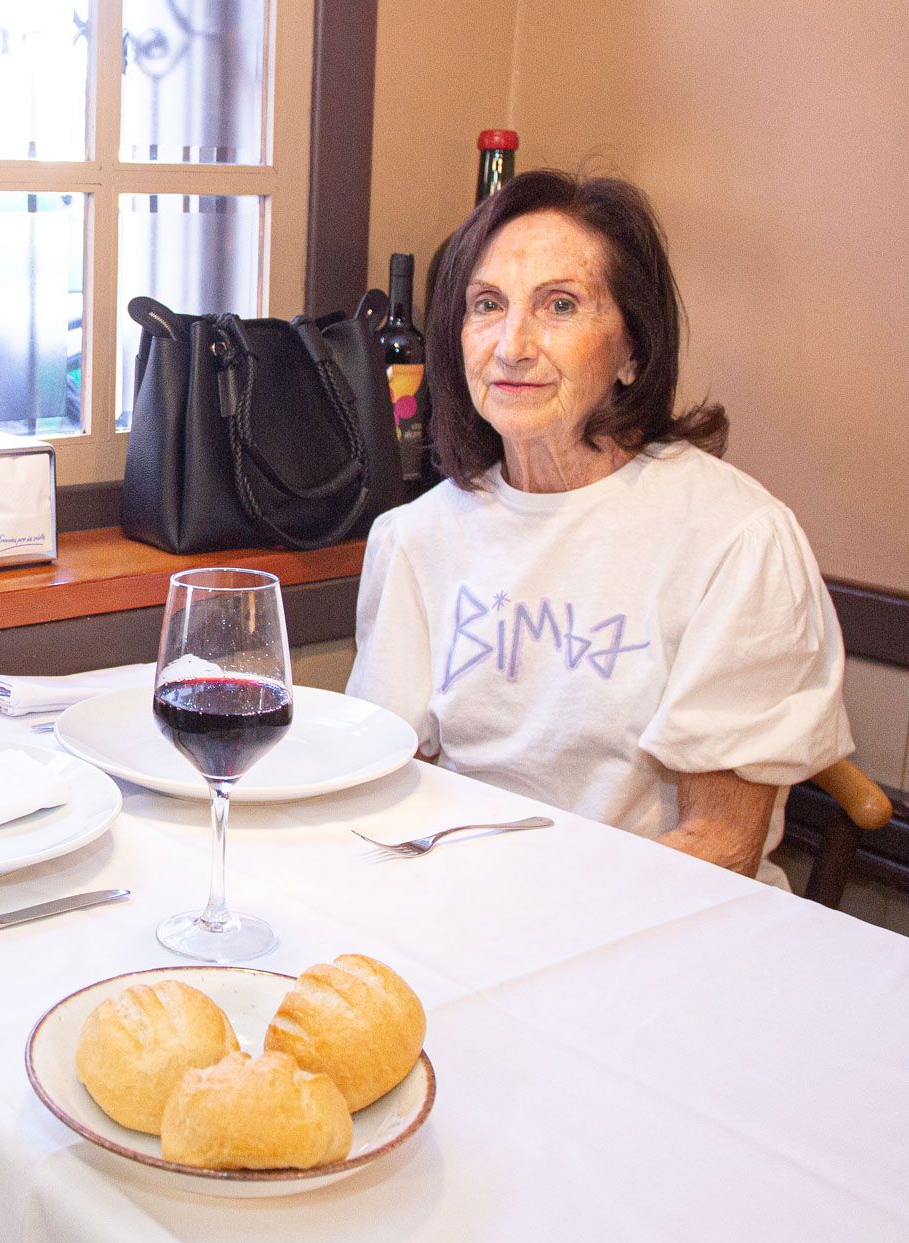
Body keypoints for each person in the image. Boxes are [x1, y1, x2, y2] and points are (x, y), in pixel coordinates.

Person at [346, 170, 851, 881]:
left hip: (656, 932)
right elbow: (385, 780)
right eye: (487, 305)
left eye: (560, 305)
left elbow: (720, 848)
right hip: (464, 906)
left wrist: (531, 926)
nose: (512, 344)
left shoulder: (737, 541)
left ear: (632, 351)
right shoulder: (415, 537)